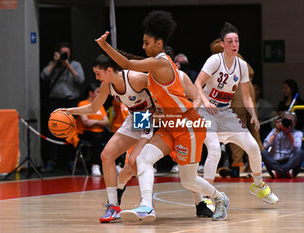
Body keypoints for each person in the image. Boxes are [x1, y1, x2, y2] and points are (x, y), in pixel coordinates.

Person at [96, 10, 229, 222]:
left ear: (159, 43)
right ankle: (146, 206)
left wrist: (105, 46)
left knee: (188, 180)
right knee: (143, 158)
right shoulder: (154, 66)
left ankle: (220, 198)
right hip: (169, 124)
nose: (143, 46)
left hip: (188, 125)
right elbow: (132, 68)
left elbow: (128, 64)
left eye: (146, 43)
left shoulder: (161, 63)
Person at [61, 54, 155, 223]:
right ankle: (113, 206)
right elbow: (93, 107)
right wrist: (68, 110)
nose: (96, 77)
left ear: (109, 70)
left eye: (98, 73)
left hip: (151, 116)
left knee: (134, 161)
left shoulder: (136, 78)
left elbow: (163, 88)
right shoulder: (107, 85)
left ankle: (147, 203)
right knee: (106, 155)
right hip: (135, 117)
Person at [194, 22, 278, 204]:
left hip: (225, 112)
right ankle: (208, 196)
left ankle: (258, 186)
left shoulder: (242, 66)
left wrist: (254, 115)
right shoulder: (214, 60)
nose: (234, 44)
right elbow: (197, 84)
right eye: (230, 41)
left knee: (254, 148)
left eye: (237, 41)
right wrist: (206, 101)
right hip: (205, 112)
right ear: (222, 44)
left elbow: (247, 98)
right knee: (215, 150)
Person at [209, 38, 264, 175]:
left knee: (236, 129)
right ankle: (259, 163)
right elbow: (251, 72)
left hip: (237, 93)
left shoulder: (220, 56)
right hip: (248, 89)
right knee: (254, 131)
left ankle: (237, 164)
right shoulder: (238, 56)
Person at [41, 42, 85, 172]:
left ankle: (71, 161)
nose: (65, 55)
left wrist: (68, 66)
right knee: (52, 131)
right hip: (55, 102)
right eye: (62, 52)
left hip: (71, 102)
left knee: (70, 131)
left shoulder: (75, 65)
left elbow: (80, 79)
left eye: (67, 52)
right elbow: (43, 75)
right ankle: (51, 161)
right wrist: (55, 62)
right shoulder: (53, 65)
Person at [76, 83, 110, 176]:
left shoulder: (99, 105)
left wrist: (94, 122)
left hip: (99, 131)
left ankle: (116, 164)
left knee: (114, 136)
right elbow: (85, 122)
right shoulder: (82, 104)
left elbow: (107, 121)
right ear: (91, 93)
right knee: (97, 138)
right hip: (85, 132)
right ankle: (95, 165)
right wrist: (100, 122)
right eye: (98, 92)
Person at [262, 111, 304, 178]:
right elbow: (265, 145)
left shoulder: (298, 133)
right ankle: (283, 171)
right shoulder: (274, 131)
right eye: (286, 121)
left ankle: (280, 171)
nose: (288, 123)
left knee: (300, 152)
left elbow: (297, 146)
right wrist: (277, 131)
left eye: (291, 121)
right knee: (264, 152)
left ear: (295, 122)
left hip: (290, 163)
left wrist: (289, 133)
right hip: (275, 162)